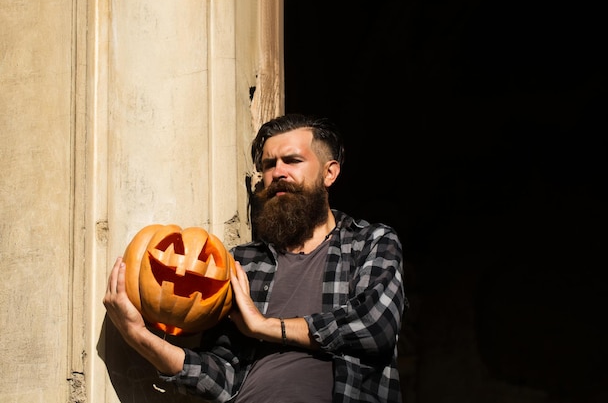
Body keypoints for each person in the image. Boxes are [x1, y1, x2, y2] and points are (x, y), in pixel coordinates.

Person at [103, 113, 407, 402]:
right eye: (268, 164)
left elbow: (373, 326)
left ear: (330, 173)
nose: (278, 173)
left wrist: (264, 326)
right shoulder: (241, 263)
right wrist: (139, 335)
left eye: (292, 160)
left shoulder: (369, 242)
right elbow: (222, 377)